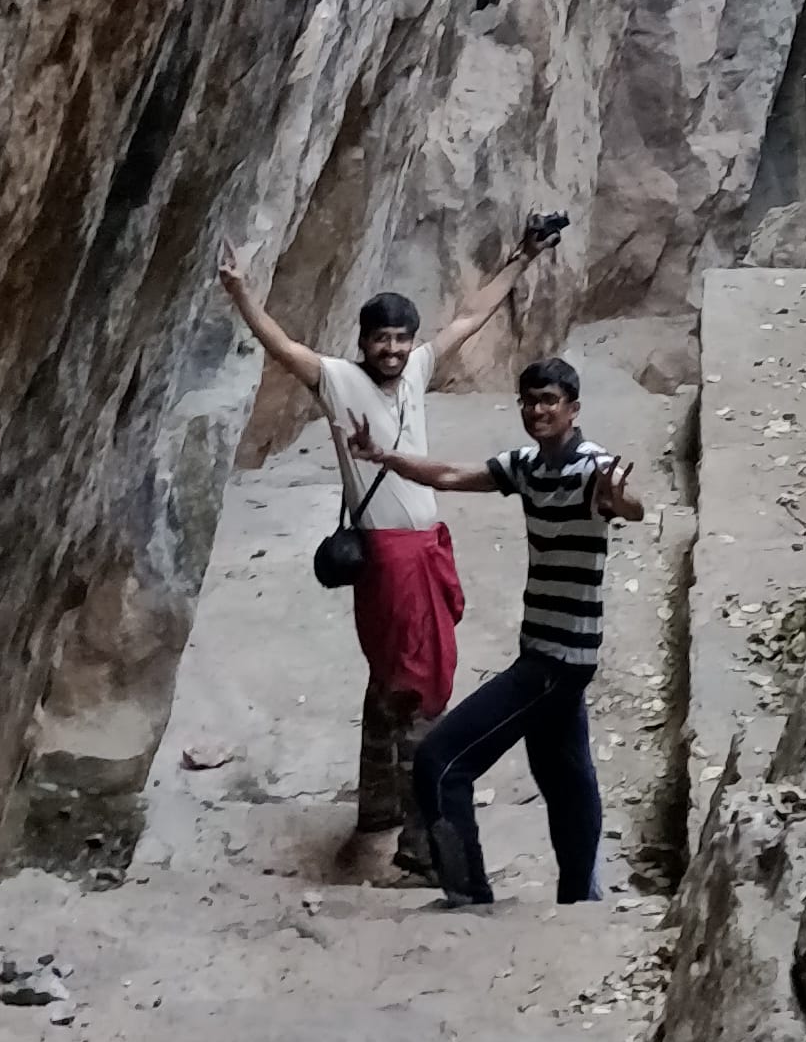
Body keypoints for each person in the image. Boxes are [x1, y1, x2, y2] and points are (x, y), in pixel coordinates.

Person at [214, 224, 557, 878]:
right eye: (383, 339)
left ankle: (378, 808)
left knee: (389, 684)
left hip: (419, 551)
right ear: (364, 343)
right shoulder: (338, 379)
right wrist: (241, 292)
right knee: (421, 696)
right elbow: (280, 345)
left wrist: (520, 256)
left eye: (402, 338)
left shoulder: (419, 369)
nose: (394, 350)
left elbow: (469, 316)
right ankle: (423, 844)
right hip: (394, 562)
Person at [354, 356, 645, 907]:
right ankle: (581, 900)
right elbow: (449, 475)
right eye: (530, 401)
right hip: (547, 649)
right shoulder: (528, 466)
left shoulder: (591, 468)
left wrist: (619, 499)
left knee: (440, 763)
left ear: (574, 409)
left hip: (554, 662)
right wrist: (382, 457)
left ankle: (468, 895)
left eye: (550, 401)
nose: (538, 410)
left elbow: (626, 505)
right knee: (565, 778)